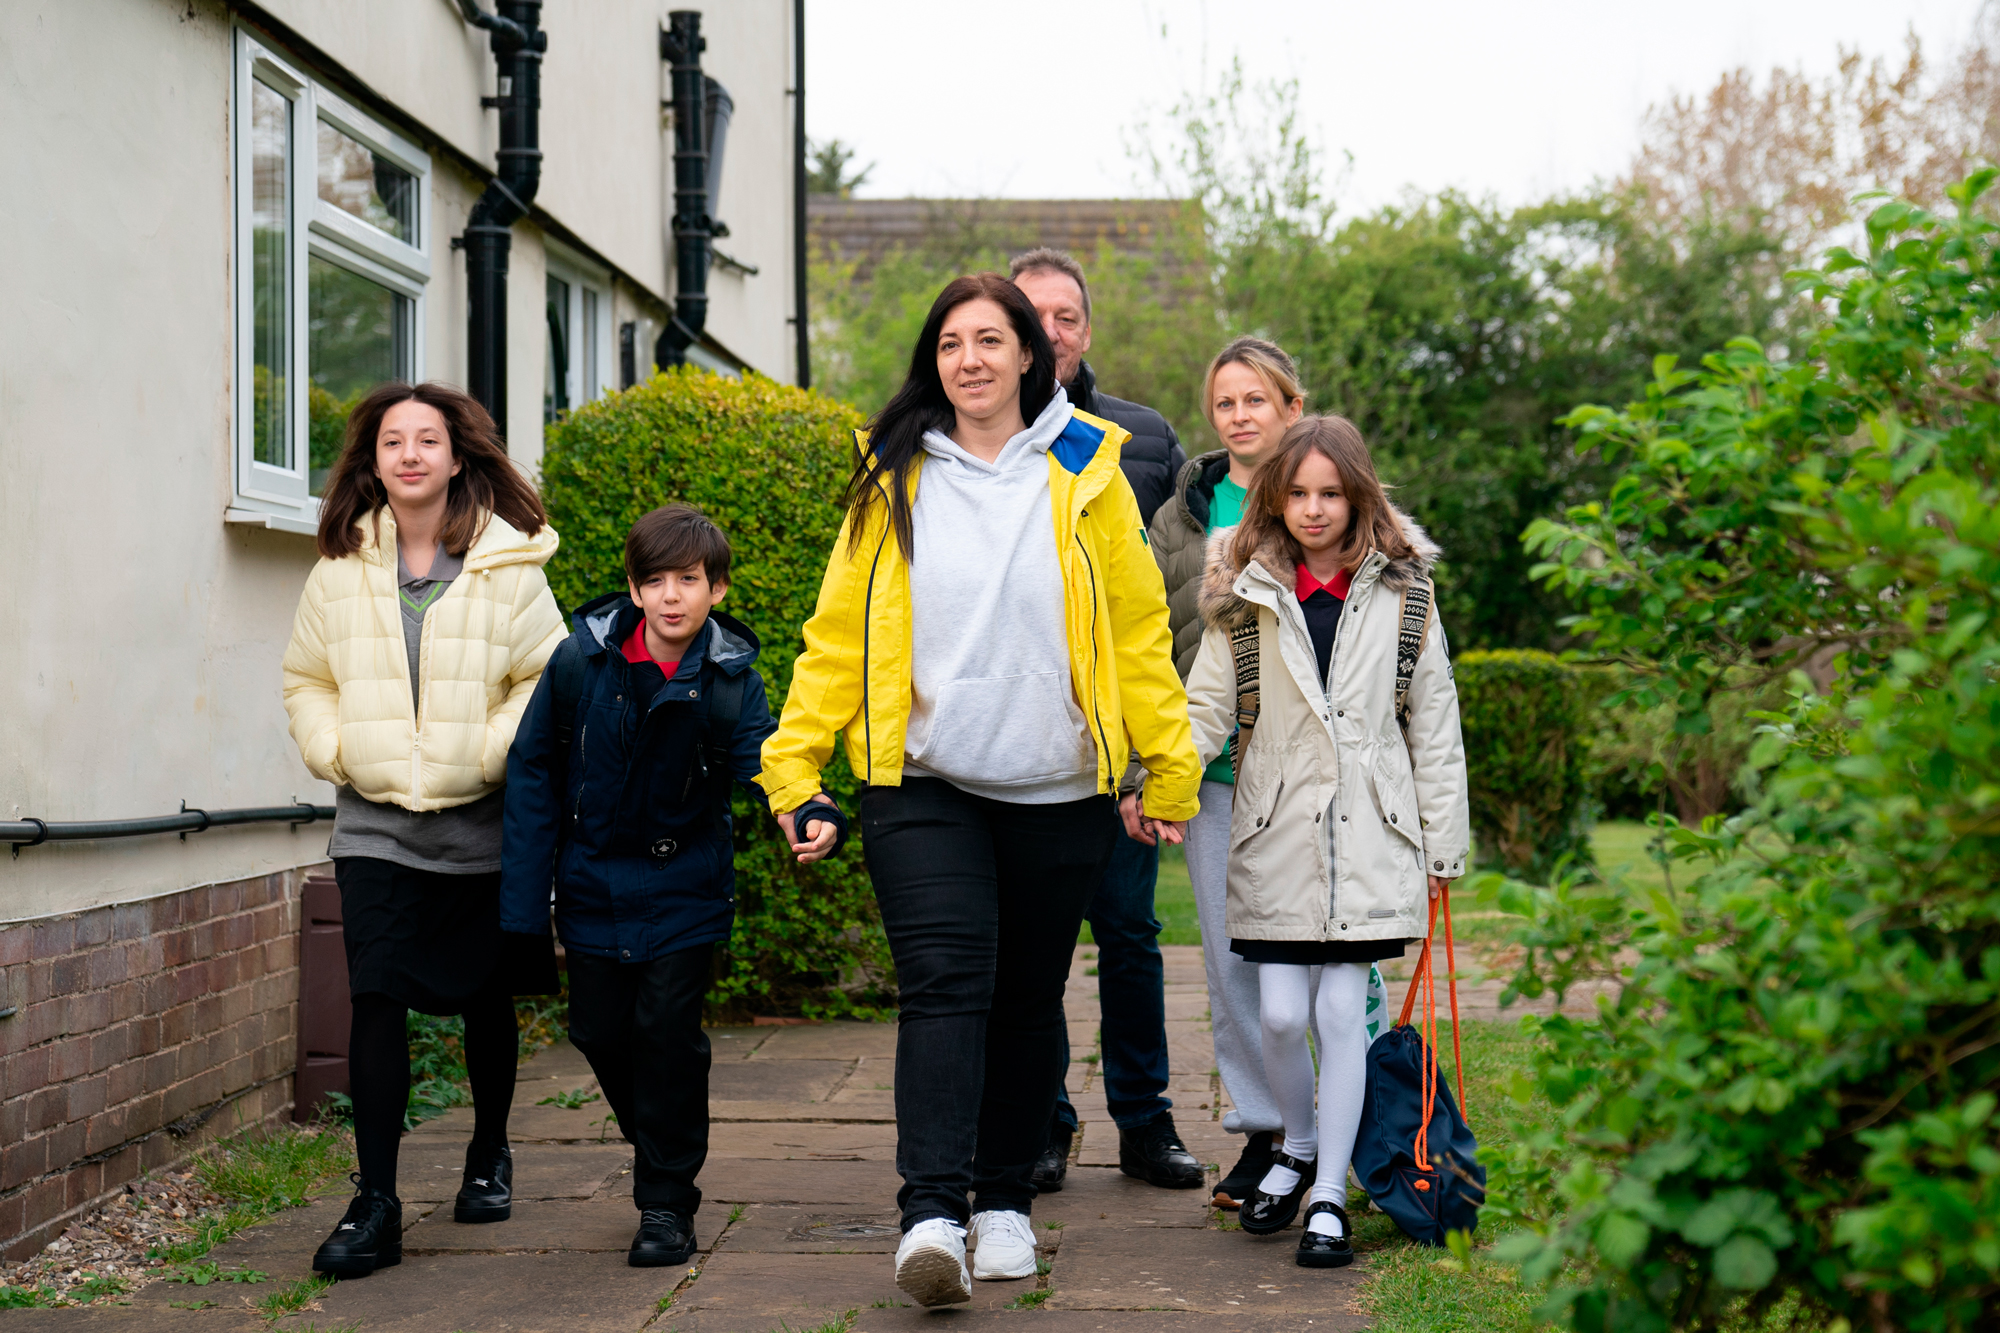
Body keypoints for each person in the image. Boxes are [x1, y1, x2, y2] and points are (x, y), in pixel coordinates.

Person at [758, 273, 1201, 1308]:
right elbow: (836, 636)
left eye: (989, 340)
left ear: (1029, 357)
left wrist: (1165, 762)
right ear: (934, 360)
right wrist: (793, 762)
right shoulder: (889, 475)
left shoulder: (1091, 467)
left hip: (1057, 789)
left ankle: (1003, 1203)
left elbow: (1136, 632)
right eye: (950, 342)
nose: (969, 359)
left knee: (1025, 997)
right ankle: (929, 1216)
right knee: (945, 986)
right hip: (923, 780)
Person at [498, 505, 836, 1267]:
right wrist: (522, 907)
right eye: (655, 581)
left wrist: (808, 809)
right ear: (633, 588)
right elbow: (532, 774)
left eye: (689, 579)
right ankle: (661, 1140)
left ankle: (665, 1201)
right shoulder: (579, 664)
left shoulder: (728, 682)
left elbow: (768, 760)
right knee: (598, 1031)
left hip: (685, 886)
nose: (672, 595)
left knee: (667, 1038)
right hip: (589, 883)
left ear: (716, 589)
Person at [282, 380, 566, 1279]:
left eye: (427, 440)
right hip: (374, 826)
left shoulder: (509, 563)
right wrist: (338, 750)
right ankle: (378, 1200)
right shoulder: (337, 567)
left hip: (479, 824)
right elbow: (306, 677)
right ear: (374, 460)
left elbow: (543, 680)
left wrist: (487, 750)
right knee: (376, 996)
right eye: (392, 441)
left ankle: (489, 1150)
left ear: (456, 456)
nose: (409, 454)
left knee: (486, 995)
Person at [1180, 416, 1469, 1268]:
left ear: (1357, 496)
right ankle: (1298, 1143)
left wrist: (1443, 846)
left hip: (1371, 834)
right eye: (1298, 492)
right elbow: (1204, 706)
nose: (1313, 509)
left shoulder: (1405, 591)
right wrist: (1156, 782)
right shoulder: (1244, 590)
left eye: (1330, 493)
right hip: (1273, 830)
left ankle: (1331, 1195)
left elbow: (1435, 719)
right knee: (1276, 1012)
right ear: (1275, 496)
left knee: (1342, 1010)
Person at [1009, 248, 1199, 1192]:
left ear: (1087, 330)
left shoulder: (1140, 436)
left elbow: (1151, 599)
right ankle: (1043, 1124)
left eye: (1068, 316)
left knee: (1128, 935)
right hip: (1015, 740)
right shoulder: (971, 436)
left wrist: (1151, 754)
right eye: (1032, 313)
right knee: (1033, 953)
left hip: (1113, 744)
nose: (1053, 331)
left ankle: (1145, 1123)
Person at [1147, 338, 1320, 1210]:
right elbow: (1154, 638)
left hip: (1306, 768)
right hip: (1209, 762)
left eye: (1258, 399)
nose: (1242, 414)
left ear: (1292, 407)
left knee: (1325, 956)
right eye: (1226, 402)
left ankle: (1333, 1125)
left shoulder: (1325, 495)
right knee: (1228, 954)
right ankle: (1266, 1129)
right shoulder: (1181, 512)